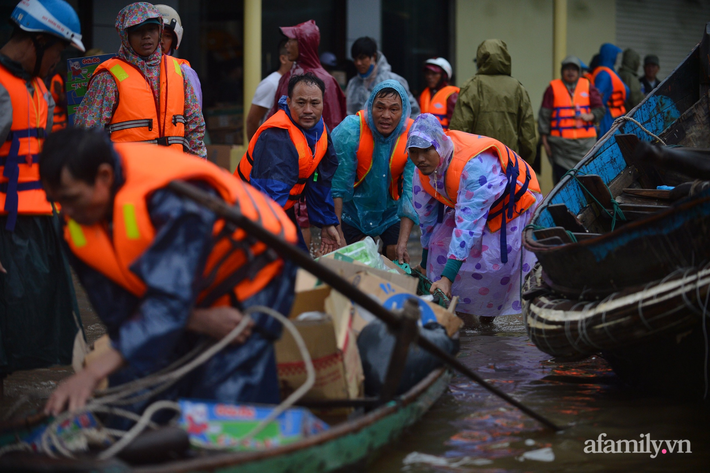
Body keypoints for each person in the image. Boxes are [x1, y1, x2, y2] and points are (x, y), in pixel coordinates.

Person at [40, 127, 298, 417]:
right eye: (59, 201)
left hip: (257, 271)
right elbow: (121, 316)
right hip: (182, 300)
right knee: (131, 403)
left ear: (104, 177)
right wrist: (198, 320)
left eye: (73, 198)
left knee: (222, 404)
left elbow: (169, 304)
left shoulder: (172, 200)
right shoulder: (74, 226)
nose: (68, 213)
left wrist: (92, 373)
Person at [0, 0, 85, 394]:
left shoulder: (38, 89)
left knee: (31, 334)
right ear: (37, 42)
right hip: (6, 231)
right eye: (58, 51)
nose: (58, 62)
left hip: (36, 228)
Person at [408, 114, 541, 326]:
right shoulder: (421, 170)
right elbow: (427, 220)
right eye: (414, 152)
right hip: (468, 206)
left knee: (494, 264)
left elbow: (468, 226)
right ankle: (463, 313)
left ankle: (489, 314)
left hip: (511, 205)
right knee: (438, 247)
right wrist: (424, 265)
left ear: (439, 146)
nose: (420, 158)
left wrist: (447, 278)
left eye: (426, 150)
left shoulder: (472, 167)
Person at [75, 2, 206, 157]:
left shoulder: (179, 72)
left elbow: (195, 129)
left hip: (173, 174)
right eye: (138, 31)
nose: (146, 36)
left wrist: (197, 171)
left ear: (159, 30)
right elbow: (87, 134)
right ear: (125, 35)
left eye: (151, 29)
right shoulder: (109, 77)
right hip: (129, 176)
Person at [237, 73, 341, 254]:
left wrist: (326, 223)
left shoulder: (320, 130)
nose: (308, 110)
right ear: (289, 102)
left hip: (280, 208)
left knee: (298, 264)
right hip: (249, 212)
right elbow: (270, 198)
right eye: (301, 103)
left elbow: (319, 181)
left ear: (323, 104)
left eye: (314, 103)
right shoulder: (277, 136)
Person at [331, 80, 418, 263]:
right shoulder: (350, 130)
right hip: (353, 211)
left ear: (403, 113)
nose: (386, 115)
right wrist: (337, 232)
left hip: (390, 212)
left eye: (394, 109)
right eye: (380, 107)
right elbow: (337, 186)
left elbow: (411, 193)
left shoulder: (412, 136)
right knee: (360, 259)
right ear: (370, 107)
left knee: (396, 256)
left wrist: (402, 243)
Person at [449, 39, 538, 165]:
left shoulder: (471, 86)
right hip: (510, 164)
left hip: (477, 164)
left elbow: (459, 131)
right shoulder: (518, 89)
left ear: (480, 59)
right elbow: (527, 135)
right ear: (506, 58)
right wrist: (525, 165)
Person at [266, 20, 346, 132]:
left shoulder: (326, 81)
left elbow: (333, 124)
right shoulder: (287, 76)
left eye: (291, 40)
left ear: (304, 43)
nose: (286, 45)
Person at [539, 56, 605, 183]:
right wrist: (545, 142)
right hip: (560, 147)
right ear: (562, 71)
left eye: (574, 69)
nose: (571, 72)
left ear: (579, 72)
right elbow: (544, 116)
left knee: (585, 182)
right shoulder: (552, 89)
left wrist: (590, 116)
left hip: (585, 146)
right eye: (567, 69)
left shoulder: (588, 86)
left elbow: (600, 109)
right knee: (562, 183)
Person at [345, 37, 420, 118]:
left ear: (373, 56)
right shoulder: (353, 84)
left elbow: (413, 112)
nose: (358, 63)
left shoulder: (393, 80)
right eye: (355, 59)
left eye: (362, 58)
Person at [155, 4, 203, 110]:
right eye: (157, 34)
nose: (161, 41)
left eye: (167, 36)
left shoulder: (184, 71)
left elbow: (195, 118)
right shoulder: (128, 69)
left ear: (174, 41)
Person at [246, 40, 293, 141]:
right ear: (283, 58)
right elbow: (252, 121)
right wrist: (256, 150)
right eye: (293, 57)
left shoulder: (297, 83)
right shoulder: (271, 84)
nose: (297, 62)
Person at [590, 43, 628, 137]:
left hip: (615, 119)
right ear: (610, 55)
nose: (616, 58)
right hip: (607, 120)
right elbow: (598, 100)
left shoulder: (611, 72)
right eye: (615, 55)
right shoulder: (604, 75)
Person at [418, 57, 459, 130]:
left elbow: (456, 127)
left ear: (444, 76)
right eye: (428, 73)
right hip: (424, 139)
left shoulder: (452, 96)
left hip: (445, 140)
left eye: (434, 74)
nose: (429, 77)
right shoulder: (423, 94)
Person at [47, 65, 67, 131]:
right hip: (43, 127)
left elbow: (68, 104)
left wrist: (60, 94)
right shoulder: (37, 80)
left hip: (60, 127)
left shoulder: (61, 78)